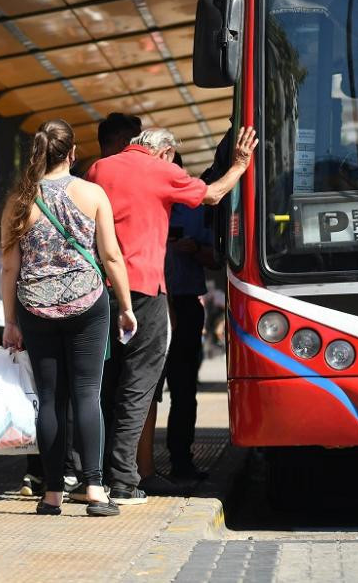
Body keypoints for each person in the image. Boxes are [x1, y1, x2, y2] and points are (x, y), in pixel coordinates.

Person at [84, 125, 256, 504]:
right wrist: (240, 165)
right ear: (165, 153)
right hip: (144, 290)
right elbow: (212, 195)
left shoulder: (100, 169)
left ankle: (90, 476)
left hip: (102, 291)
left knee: (102, 386)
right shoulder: (162, 170)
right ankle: (125, 480)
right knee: (139, 386)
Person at [0, 119, 138, 517]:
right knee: (86, 394)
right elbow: (111, 255)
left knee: (49, 401)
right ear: (73, 153)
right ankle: (94, 487)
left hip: (34, 306)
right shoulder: (92, 193)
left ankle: (51, 494)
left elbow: (10, 267)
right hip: (88, 302)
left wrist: (10, 320)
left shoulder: (20, 200)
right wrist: (126, 306)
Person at [163, 154, 217, 482]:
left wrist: (194, 248)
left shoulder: (197, 209)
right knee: (138, 389)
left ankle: (181, 459)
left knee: (183, 389)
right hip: (148, 303)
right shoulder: (141, 203)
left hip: (184, 303)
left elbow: (216, 257)